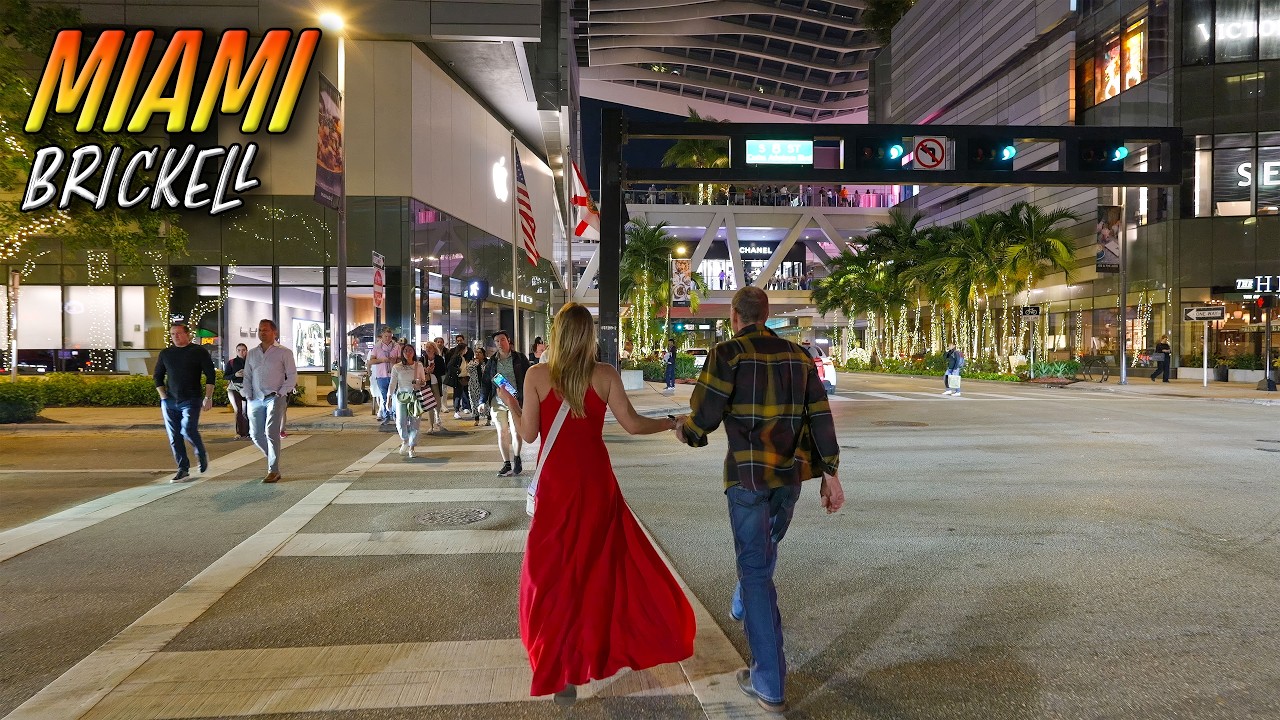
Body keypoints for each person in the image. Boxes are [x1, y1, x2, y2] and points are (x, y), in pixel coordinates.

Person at [496, 303, 695, 704]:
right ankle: (604, 645)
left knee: (553, 574)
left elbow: (530, 436)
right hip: (595, 485)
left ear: (555, 334)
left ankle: (561, 665)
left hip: (556, 487)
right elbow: (634, 424)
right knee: (600, 570)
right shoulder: (604, 375)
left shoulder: (536, 376)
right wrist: (672, 421)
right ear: (588, 336)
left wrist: (511, 403)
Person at [675, 287, 843, 714]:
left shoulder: (727, 355)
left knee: (755, 572)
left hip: (748, 478)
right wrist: (831, 474)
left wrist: (686, 431)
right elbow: (820, 416)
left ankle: (768, 681)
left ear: (735, 316)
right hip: (789, 481)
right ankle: (742, 601)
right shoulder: (799, 358)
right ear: (765, 315)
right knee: (761, 556)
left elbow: (703, 419)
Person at [153, 322, 217, 483]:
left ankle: (200, 453)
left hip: (191, 398)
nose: (176, 337)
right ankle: (183, 468)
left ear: (188, 334)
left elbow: (210, 375)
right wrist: (164, 397)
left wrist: (208, 397)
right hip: (170, 401)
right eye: (173, 334)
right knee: (174, 436)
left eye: (179, 333)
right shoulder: (166, 353)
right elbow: (157, 376)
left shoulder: (198, 351)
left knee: (188, 429)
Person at [243, 318, 297, 483]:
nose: (262, 333)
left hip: (275, 397)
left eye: (265, 330)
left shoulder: (284, 352)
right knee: (255, 434)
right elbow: (247, 375)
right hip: (255, 398)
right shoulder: (252, 353)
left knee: (271, 432)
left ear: (275, 332)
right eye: (260, 330)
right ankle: (272, 458)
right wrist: (247, 393)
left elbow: (292, 375)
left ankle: (273, 470)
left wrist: (282, 392)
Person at [482, 329, 530, 477]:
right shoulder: (492, 361)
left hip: (516, 400)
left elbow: (529, 378)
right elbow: (485, 382)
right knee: (502, 432)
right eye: (496, 341)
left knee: (516, 431)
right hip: (498, 401)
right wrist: (482, 401)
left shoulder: (520, 358)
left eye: (502, 340)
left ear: (508, 340)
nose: (499, 343)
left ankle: (517, 457)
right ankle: (506, 463)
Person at [386, 343, 427, 459]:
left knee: (415, 422)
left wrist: (419, 382)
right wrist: (388, 398)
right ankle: (405, 440)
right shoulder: (396, 367)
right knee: (400, 421)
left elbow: (424, 381)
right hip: (401, 397)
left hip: (415, 396)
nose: (408, 353)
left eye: (410, 351)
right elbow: (392, 383)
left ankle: (412, 447)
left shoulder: (418, 365)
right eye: (405, 351)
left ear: (414, 353)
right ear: (402, 353)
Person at [368, 327, 399, 424]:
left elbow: (402, 359)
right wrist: (382, 360)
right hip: (381, 375)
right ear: (382, 336)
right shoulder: (377, 347)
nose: (387, 338)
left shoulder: (396, 346)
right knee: (384, 397)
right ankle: (386, 416)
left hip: (394, 375)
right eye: (386, 336)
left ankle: (394, 415)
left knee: (394, 396)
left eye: (390, 336)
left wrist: (395, 360)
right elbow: (371, 361)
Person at [420, 341, 446, 433]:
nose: (427, 349)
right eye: (426, 347)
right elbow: (418, 371)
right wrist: (425, 370)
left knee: (438, 402)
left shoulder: (439, 359)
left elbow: (443, 371)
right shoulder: (422, 359)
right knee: (429, 404)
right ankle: (431, 426)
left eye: (429, 347)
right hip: (427, 384)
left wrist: (433, 371)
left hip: (436, 383)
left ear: (434, 349)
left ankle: (437, 415)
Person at [225, 343, 250, 440]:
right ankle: (239, 433)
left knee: (247, 411)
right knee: (238, 410)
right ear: (236, 351)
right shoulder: (231, 362)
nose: (241, 352)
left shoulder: (250, 362)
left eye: (243, 350)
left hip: (247, 388)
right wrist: (235, 375)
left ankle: (248, 432)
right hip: (234, 388)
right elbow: (226, 376)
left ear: (246, 351)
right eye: (239, 350)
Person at [447, 334, 475, 417]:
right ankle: (457, 410)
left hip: (465, 375)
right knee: (457, 394)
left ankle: (466, 407)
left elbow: (470, 361)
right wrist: (457, 371)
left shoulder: (467, 353)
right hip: (458, 377)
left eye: (460, 340)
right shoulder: (455, 355)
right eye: (457, 341)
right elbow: (450, 365)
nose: (459, 342)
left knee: (465, 391)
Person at [468, 347, 491, 427]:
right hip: (474, 386)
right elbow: (469, 370)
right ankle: (476, 419)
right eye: (476, 352)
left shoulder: (488, 363)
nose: (477, 354)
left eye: (480, 352)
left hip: (485, 385)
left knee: (487, 402)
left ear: (484, 354)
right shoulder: (472, 362)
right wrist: (476, 363)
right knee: (474, 402)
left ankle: (488, 419)